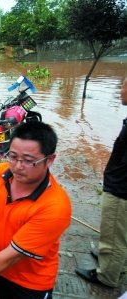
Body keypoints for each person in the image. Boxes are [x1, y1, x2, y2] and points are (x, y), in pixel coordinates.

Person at [0, 121, 72, 298]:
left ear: (49, 160)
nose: (18, 166)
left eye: (28, 161)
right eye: (13, 156)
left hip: (29, 281)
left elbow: (13, 255)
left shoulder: (55, 207)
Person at [75, 78, 127, 288]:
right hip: (119, 184)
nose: (120, 90)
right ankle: (116, 261)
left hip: (121, 189)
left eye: (123, 86)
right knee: (120, 233)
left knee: (114, 233)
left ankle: (107, 275)